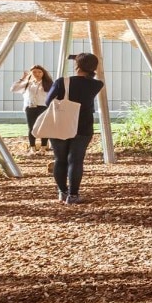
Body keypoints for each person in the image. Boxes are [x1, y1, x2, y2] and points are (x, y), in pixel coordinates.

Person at [47, 54, 104, 204]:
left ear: (77, 66)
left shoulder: (61, 82)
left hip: (60, 123)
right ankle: (73, 195)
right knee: (76, 160)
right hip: (83, 125)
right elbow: (87, 75)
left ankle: (62, 192)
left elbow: (48, 102)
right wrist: (81, 59)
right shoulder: (97, 85)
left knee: (60, 159)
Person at [11, 65, 53, 155]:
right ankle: (32, 148)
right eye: (34, 72)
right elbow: (13, 89)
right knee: (31, 127)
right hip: (30, 107)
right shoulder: (27, 83)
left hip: (43, 107)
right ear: (31, 73)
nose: (37, 74)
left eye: (39, 72)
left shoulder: (48, 83)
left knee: (44, 127)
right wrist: (23, 78)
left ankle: (43, 148)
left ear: (43, 73)